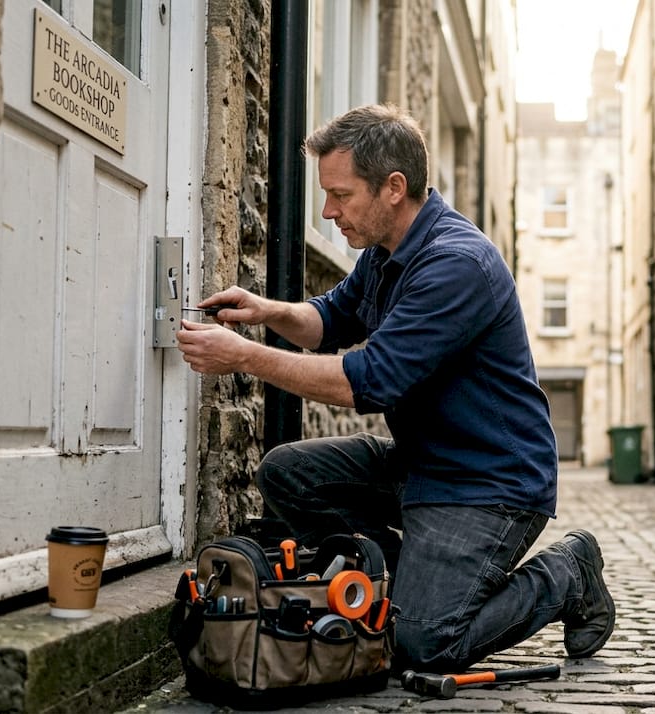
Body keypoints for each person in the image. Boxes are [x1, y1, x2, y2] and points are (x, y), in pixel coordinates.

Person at [175, 103, 614, 672]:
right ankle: (403, 581)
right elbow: (331, 319)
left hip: (489, 481)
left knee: (424, 644)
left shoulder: (456, 265)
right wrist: (264, 312)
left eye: (341, 195)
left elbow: (370, 380)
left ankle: (567, 573)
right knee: (287, 473)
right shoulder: (385, 252)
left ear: (393, 188)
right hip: (422, 463)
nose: (330, 211)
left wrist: (244, 357)